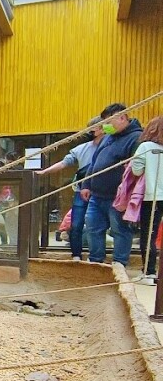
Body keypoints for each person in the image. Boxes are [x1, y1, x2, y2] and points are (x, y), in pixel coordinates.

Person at [80, 103, 144, 267]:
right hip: (96, 194)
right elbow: (94, 162)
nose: (105, 126)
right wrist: (86, 183)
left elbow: (135, 170)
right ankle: (96, 261)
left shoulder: (137, 138)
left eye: (109, 122)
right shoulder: (108, 136)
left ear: (122, 118)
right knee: (93, 228)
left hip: (118, 197)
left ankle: (119, 263)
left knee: (120, 231)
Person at [35, 117, 104, 260]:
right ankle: (76, 255)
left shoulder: (112, 147)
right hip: (81, 190)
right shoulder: (82, 149)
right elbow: (64, 163)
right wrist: (45, 172)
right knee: (76, 224)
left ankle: (97, 257)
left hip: (102, 191)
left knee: (97, 226)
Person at [131, 116, 163, 284]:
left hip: (154, 197)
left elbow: (136, 170)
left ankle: (149, 273)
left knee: (148, 234)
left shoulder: (146, 147)